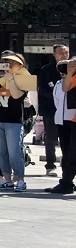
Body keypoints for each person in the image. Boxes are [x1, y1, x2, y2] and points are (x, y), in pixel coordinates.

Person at [0, 52, 30, 191]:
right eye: (6, 62)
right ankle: (7, 179)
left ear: (20, 65)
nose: (8, 65)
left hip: (14, 121)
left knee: (14, 151)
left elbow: (17, 95)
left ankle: (20, 180)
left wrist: (10, 78)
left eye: (12, 63)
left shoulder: (25, 79)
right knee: (1, 152)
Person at [38, 45, 69, 177]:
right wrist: (57, 95)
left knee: (68, 138)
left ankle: (67, 164)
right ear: (54, 54)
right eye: (61, 53)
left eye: (66, 52)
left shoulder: (72, 68)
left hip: (69, 109)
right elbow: (42, 90)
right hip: (51, 109)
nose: (64, 55)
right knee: (50, 137)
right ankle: (50, 165)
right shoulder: (47, 70)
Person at [47, 59, 76, 195]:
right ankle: (67, 182)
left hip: (72, 119)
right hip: (63, 120)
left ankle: (66, 182)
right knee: (67, 153)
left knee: (73, 153)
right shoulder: (61, 83)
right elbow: (61, 94)